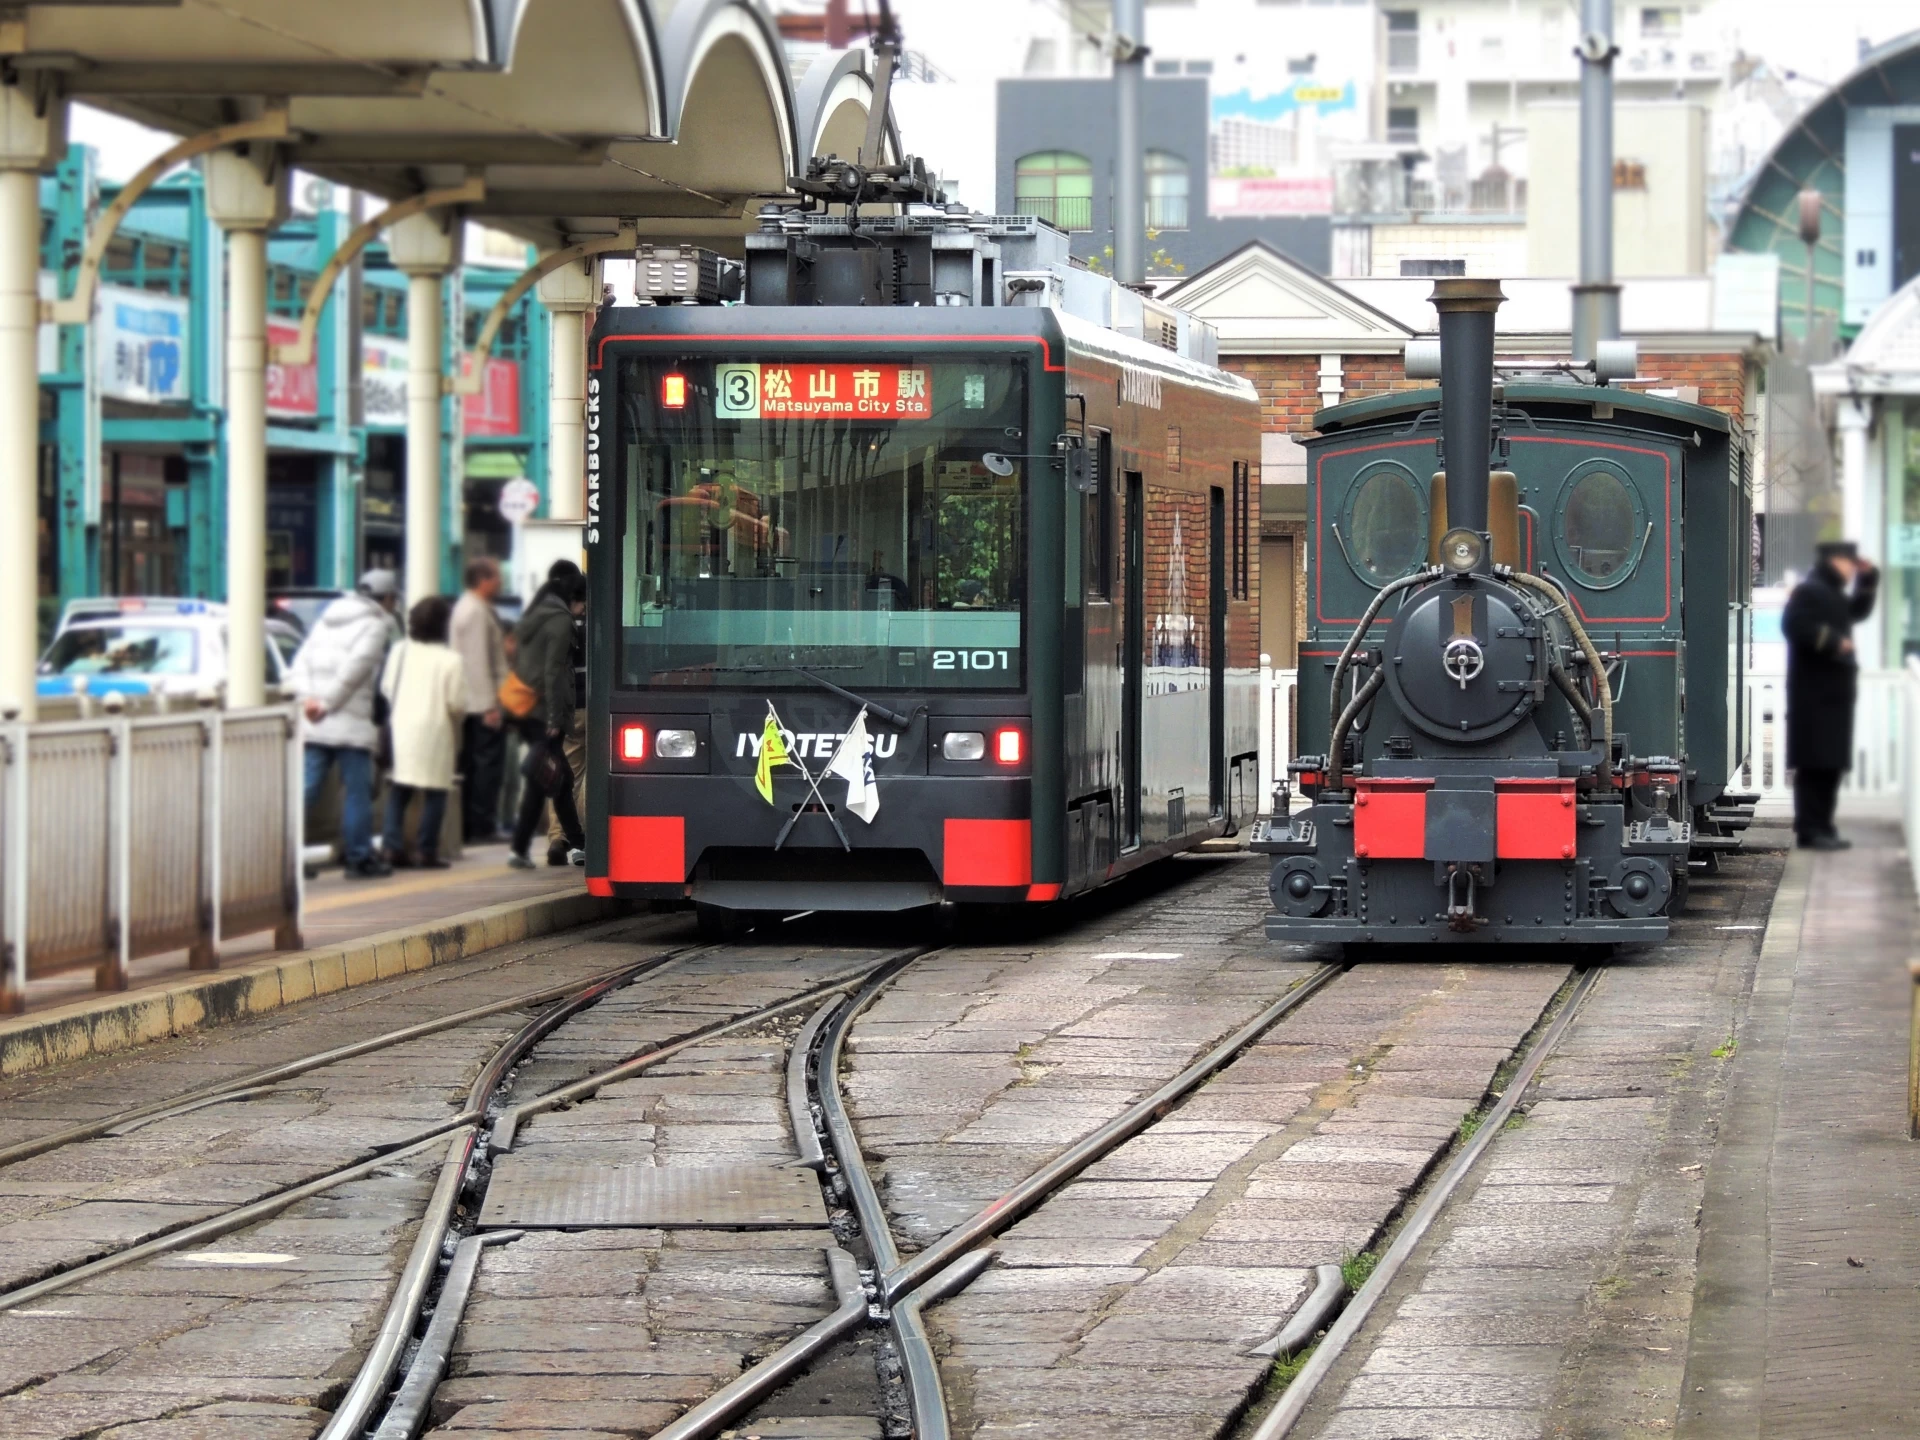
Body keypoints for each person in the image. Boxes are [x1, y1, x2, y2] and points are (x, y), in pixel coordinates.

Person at [289, 570, 399, 878]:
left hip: (315, 719)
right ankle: (359, 856)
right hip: (347, 722)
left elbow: (300, 662)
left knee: (306, 789)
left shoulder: (327, 619)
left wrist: (309, 700)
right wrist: (325, 705)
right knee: (357, 792)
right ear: (388, 599)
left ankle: (284, 859)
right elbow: (356, 669)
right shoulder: (377, 626)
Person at [1783, 539, 1879, 850]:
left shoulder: (1832, 592)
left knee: (1830, 764)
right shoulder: (1810, 590)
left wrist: (1867, 581)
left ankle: (1822, 825)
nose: (1852, 569)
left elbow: (1857, 612)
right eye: (1850, 564)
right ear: (1835, 561)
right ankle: (1811, 829)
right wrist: (1835, 642)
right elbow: (1794, 625)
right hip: (1814, 696)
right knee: (1815, 764)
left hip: (1833, 696)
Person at [378, 595, 468, 868]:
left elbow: (386, 688)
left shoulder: (400, 651)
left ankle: (392, 848)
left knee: (400, 789)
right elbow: (457, 702)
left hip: (401, 727)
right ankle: (425, 850)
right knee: (435, 792)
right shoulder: (450, 660)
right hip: (435, 730)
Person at [507, 564, 587, 869]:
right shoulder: (560, 621)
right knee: (556, 778)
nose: (582, 612)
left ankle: (563, 844)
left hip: (529, 709)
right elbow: (554, 673)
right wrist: (555, 719)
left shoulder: (535, 615)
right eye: (582, 604)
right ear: (574, 598)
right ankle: (575, 845)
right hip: (546, 714)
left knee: (555, 780)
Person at [451, 557, 510, 842]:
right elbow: (476, 662)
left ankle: (473, 824)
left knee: (473, 765)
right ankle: (481, 825)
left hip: (470, 702)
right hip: (479, 703)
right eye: (496, 577)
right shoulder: (475, 611)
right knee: (485, 765)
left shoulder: (470, 607)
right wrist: (489, 705)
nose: (500, 582)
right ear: (483, 580)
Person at [544, 559, 589, 866]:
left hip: (566, 710)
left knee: (564, 773)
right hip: (591, 706)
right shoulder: (594, 622)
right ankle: (582, 839)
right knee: (589, 774)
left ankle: (558, 837)